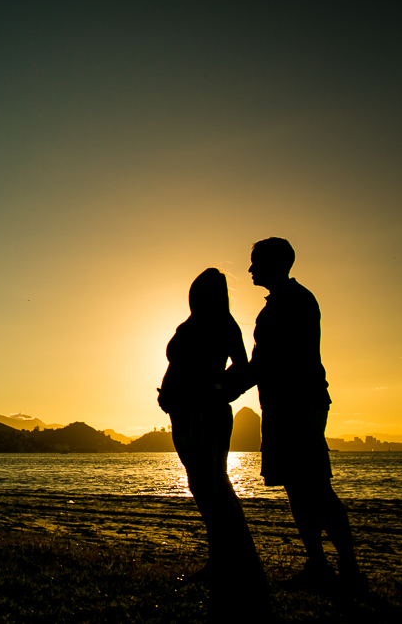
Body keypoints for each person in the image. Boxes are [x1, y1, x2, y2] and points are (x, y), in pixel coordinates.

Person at [238, 237, 364, 591]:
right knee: (297, 486)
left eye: (256, 262)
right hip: (285, 404)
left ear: (275, 264)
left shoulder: (292, 303)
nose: (250, 269)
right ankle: (320, 566)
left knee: (314, 486)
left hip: (298, 404)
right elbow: (262, 364)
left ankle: (348, 569)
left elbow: (264, 363)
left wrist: (220, 390)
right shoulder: (283, 303)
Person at [158, 268, 266, 595]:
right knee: (201, 485)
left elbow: (243, 368)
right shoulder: (188, 325)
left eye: (207, 291)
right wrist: (168, 394)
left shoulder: (224, 324)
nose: (200, 297)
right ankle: (221, 558)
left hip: (207, 413)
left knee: (213, 485)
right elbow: (176, 365)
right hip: (182, 415)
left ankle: (240, 559)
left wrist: (215, 390)